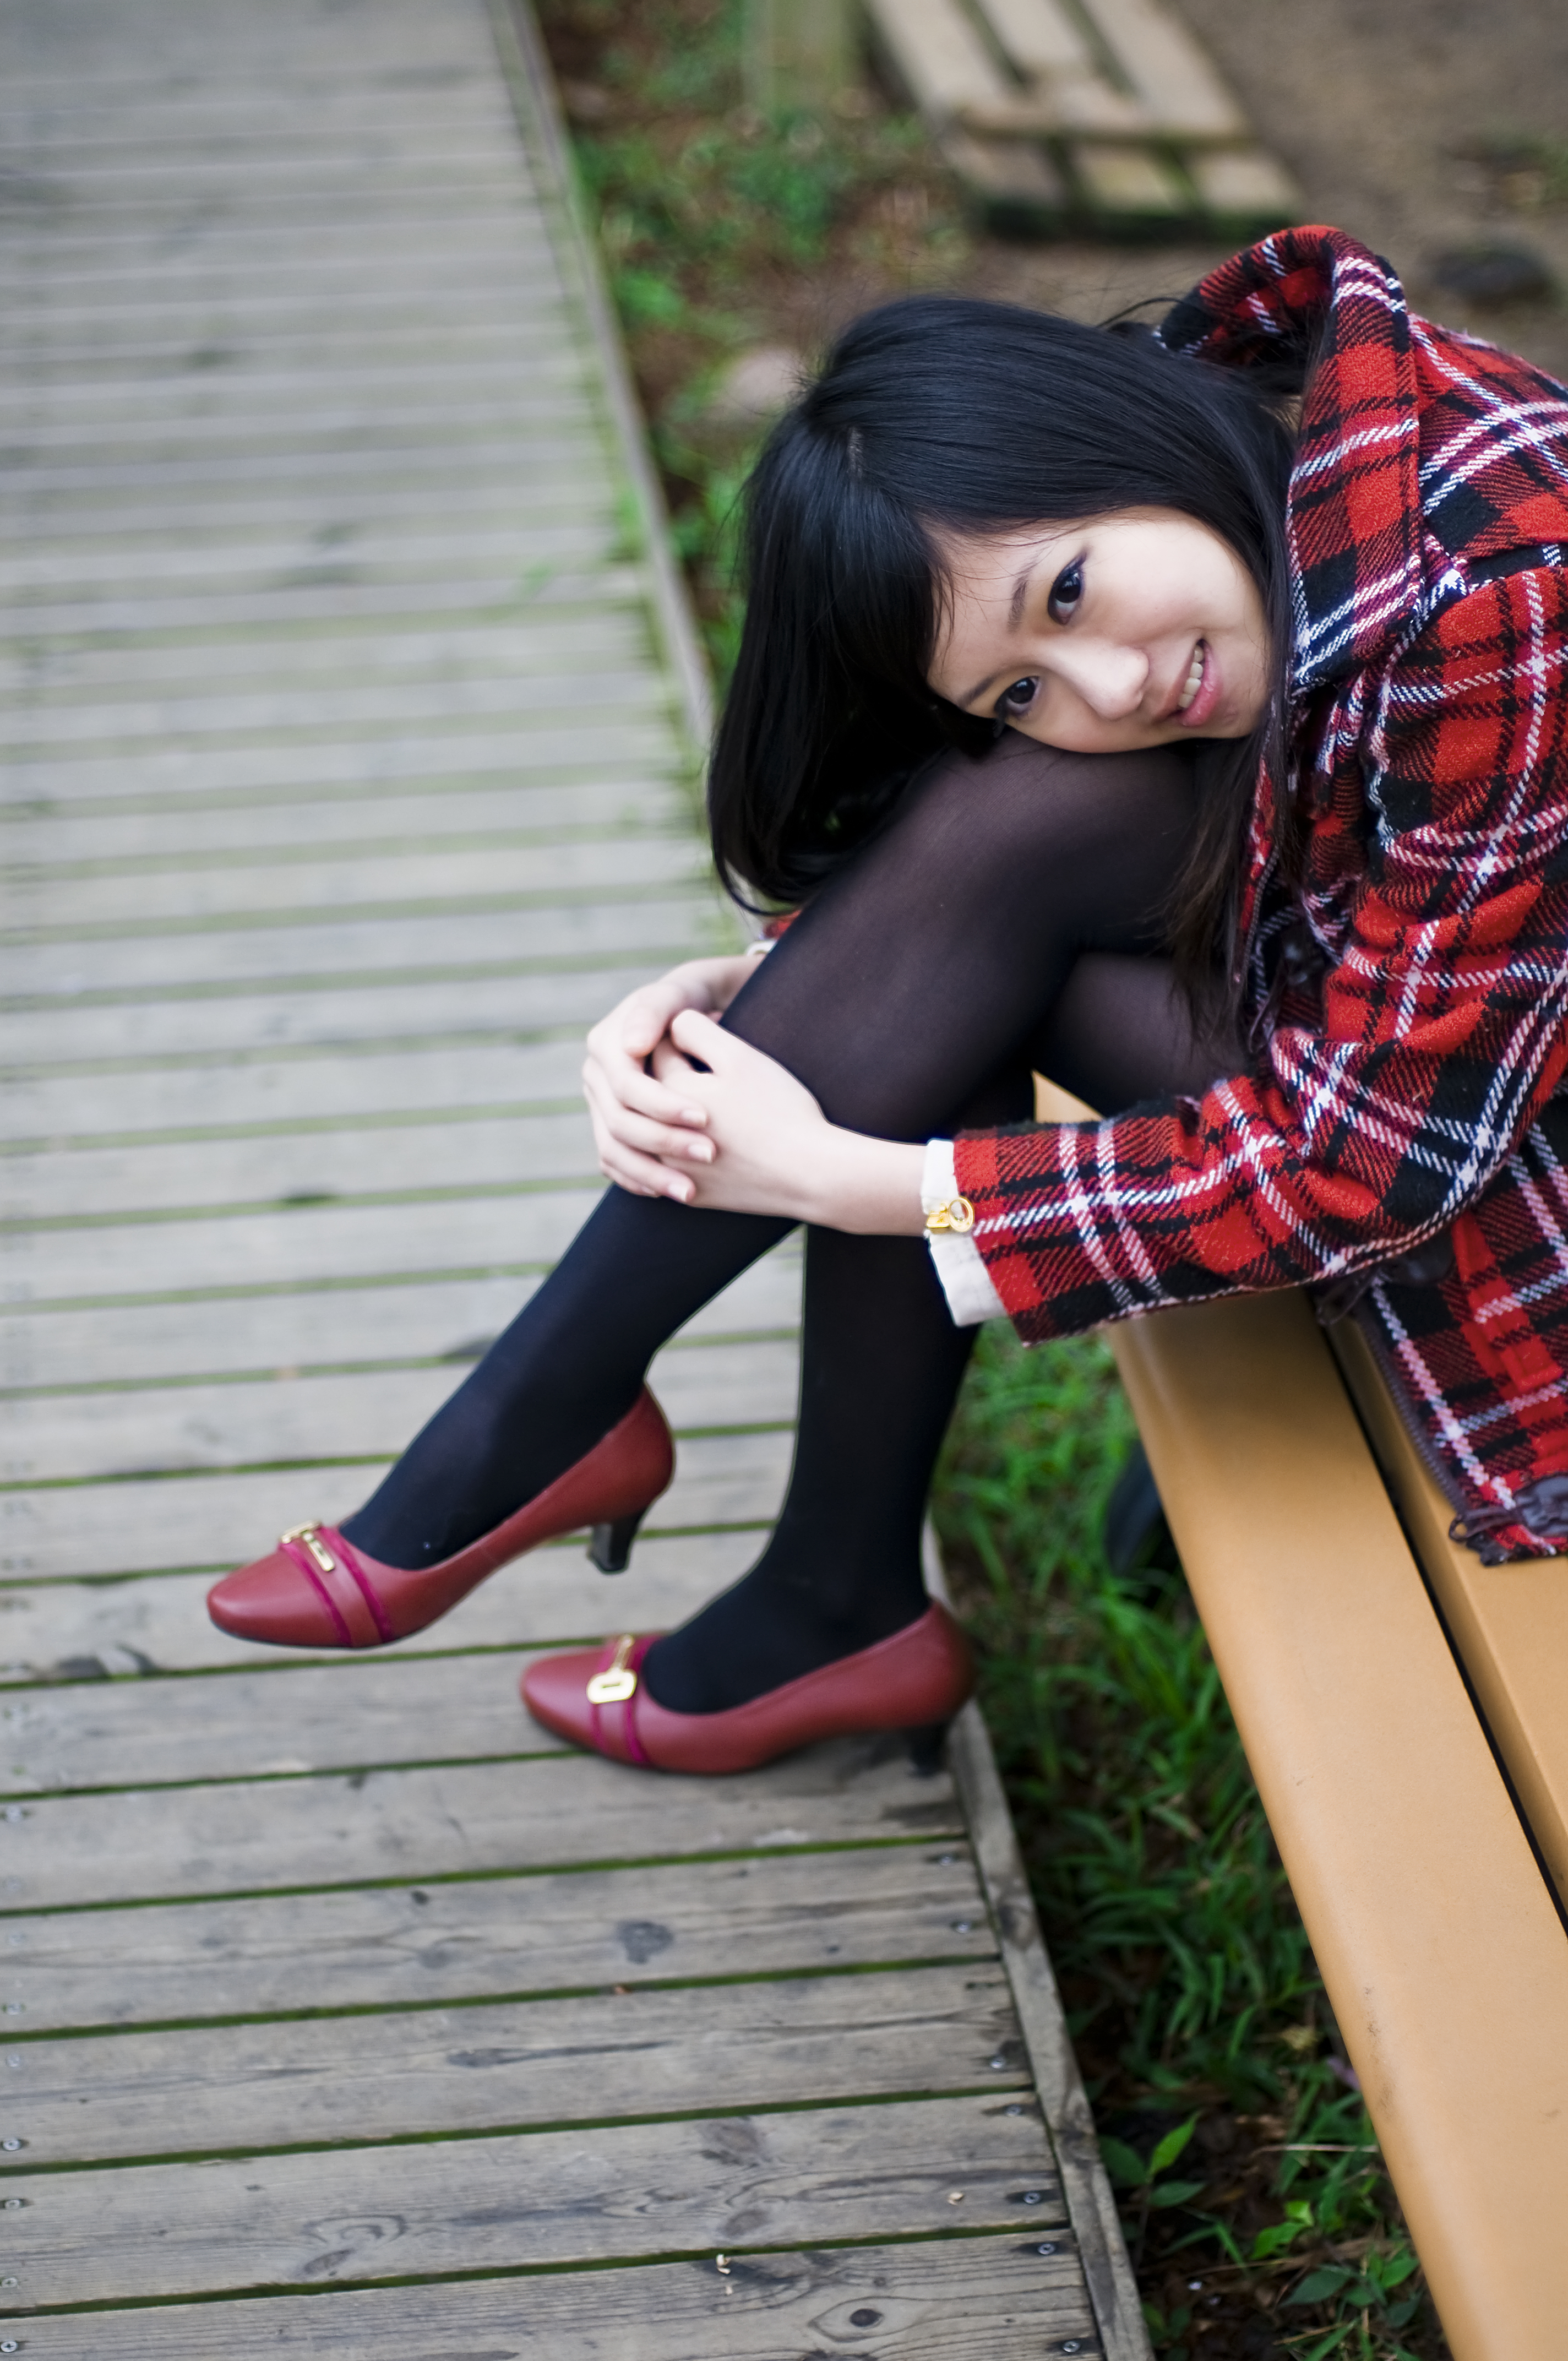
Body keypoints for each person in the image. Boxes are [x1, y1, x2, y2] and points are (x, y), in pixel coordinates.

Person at [209, 225, 1568, 1774]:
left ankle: (624, 1469)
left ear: (1107, 431)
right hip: (1474, 1060)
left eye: (1069, 590)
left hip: (1487, 1200)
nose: (1109, 689)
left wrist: (865, 1185)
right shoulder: (1291, 471)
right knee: (980, 913)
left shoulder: (1499, 594)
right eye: (1019, 687)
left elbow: (1363, 1170)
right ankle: (772, 1554)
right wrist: (771, 980)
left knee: (960, 976)